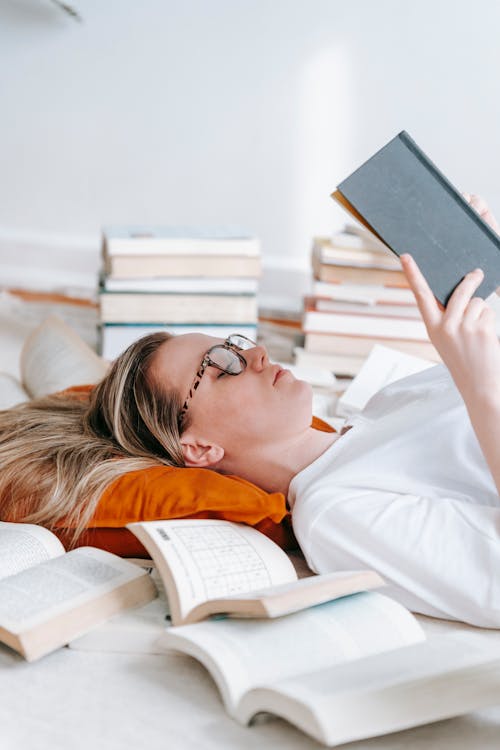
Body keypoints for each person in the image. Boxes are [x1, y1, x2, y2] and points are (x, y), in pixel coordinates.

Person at [1, 195, 500, 627]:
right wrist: (482, 388)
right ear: (197, 447)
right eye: (221, 366)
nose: (258, 354)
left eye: (235, 345)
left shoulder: (388, 402)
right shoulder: (336, 513)